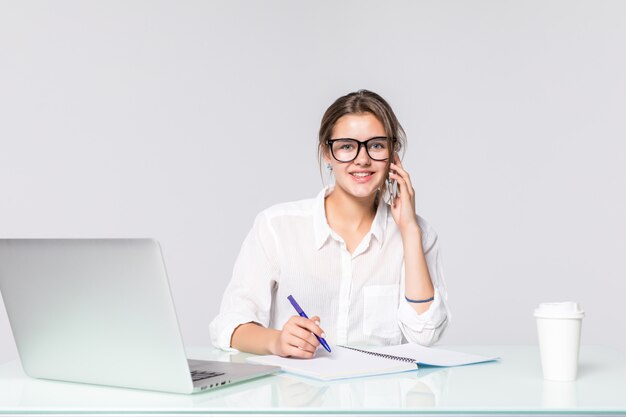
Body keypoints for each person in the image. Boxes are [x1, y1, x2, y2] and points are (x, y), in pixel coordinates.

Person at [209, 90, 450, 358]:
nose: (362, 159)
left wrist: (410, 231)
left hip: (381, 394)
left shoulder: (419, 235)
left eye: (377, 145)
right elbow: (229, 326)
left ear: (393, 154)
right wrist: (276, 341)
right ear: (327, 153)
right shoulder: (276, 228)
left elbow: (425, 335)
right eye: (347, 146)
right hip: (298, 393)